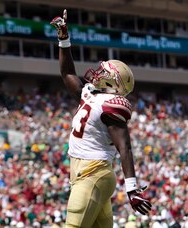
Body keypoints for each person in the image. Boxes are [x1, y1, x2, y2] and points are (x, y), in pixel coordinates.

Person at [50, 9, 152, 228]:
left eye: (105, 73)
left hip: (93, 174)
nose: (98, 73)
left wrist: (132, 188)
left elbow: (125, 148)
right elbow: (67, 74)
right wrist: (64, 39)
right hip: (85, 175)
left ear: (115, 84)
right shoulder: (91, 94)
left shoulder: (111, 107)